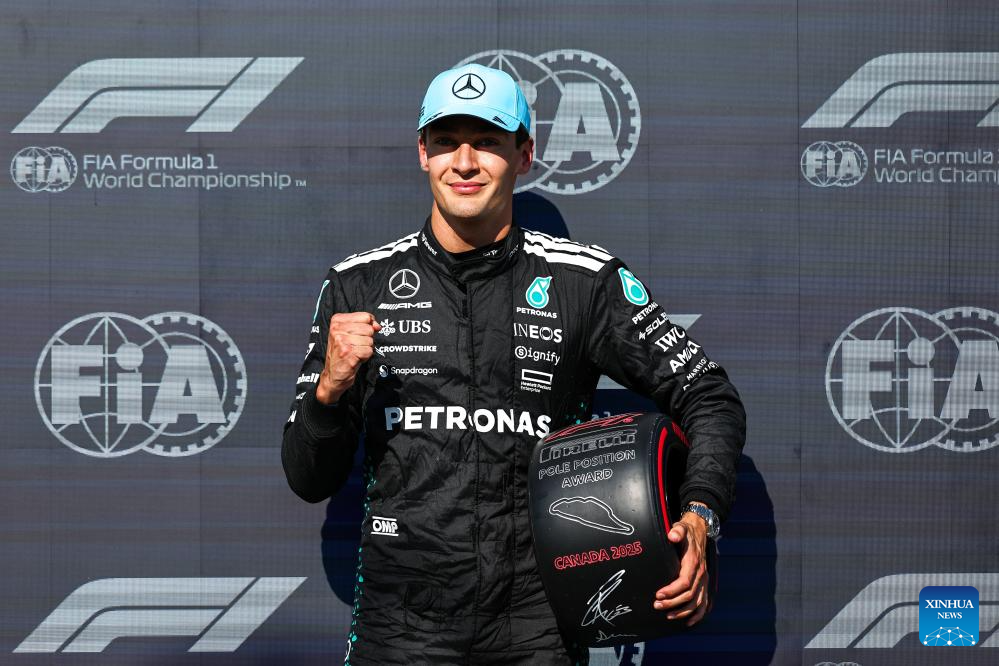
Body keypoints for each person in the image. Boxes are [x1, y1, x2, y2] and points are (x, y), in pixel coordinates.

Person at [282, 63, 746, 665]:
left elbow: (708, 395)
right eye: (446, 142)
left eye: (487, 142)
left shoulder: (583, 281)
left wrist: (700, 514)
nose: (464, 163)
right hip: (401, 628)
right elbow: (307, 479)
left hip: (538, 624)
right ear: (422, 153)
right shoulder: (357, 285)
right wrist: (329, 392)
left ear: (525, 155)